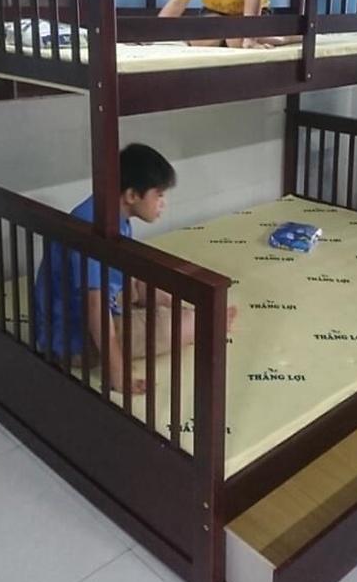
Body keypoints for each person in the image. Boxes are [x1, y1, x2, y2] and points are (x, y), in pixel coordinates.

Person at [33, 143, 234, 394]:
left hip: (87, 306)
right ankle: (201, 322)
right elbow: (95, 307)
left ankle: (194, 314)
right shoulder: (96, 230)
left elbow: (117, 278)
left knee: (150, 287)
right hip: (76, 336)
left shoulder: (109, 212)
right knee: (175, 325)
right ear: (131, 195)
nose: (163, 203)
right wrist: (119, 374)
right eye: (158, 195)